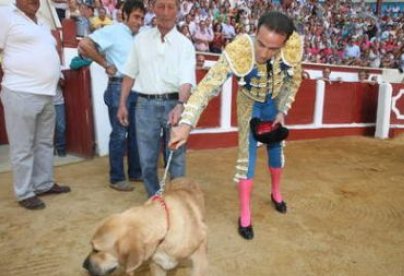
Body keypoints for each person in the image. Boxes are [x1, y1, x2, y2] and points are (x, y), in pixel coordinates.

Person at [169, 11, 303, 240]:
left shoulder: (292, 47)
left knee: (276, 151)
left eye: (273, 49)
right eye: (261, 44)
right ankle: (245, 214)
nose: (264, 53)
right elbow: (206, 87)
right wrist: (186, 124)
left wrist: (282, 111)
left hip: (274, 105)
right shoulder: (239, 49)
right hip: (250, 105)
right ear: (255, 32)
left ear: (284, 44)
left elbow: (293, 80)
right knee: (246, 156)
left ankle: (276, 193)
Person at [117, 0, 196, 197]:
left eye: (171, 7)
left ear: (177, 11)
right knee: (147, 159)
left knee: (176, 158)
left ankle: (178, 201)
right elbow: (129, 74)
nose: (166, 12)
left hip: (174, 105)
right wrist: (122, 104)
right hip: (145, 105)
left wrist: (180, 104)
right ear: (153, 9)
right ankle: (154, 199)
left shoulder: (185, 44)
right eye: (161, 6)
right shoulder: (140, 40)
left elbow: (186, 80)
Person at [0, 0, 71, 210]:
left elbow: (49, 53)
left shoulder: (41, 23)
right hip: (20, 91)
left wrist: (55, 73)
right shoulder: (6, 15)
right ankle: (24, 192)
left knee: (44, 143)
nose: (34, 1)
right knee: (23, 147)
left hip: (47, 93)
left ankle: (44, 183)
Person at [78, 0, 145, 192]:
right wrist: (105, 64)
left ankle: (135, 172)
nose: (139, 22)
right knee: (119, 133)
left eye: (141, 17)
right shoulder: (113, 31)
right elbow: (84, 44)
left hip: (136, 89)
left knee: (133, 134)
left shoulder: (138, 37)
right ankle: (116, 177)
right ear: (124, 15)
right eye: (136, 17)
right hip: (117, 88)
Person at [54, 74, 67, 157]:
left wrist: (55, 77)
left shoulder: (58, 70)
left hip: (58, 102)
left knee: (61, 127)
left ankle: (61, 149)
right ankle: (49, 149)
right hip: (44, 102)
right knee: (46, 128)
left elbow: (63, 84)